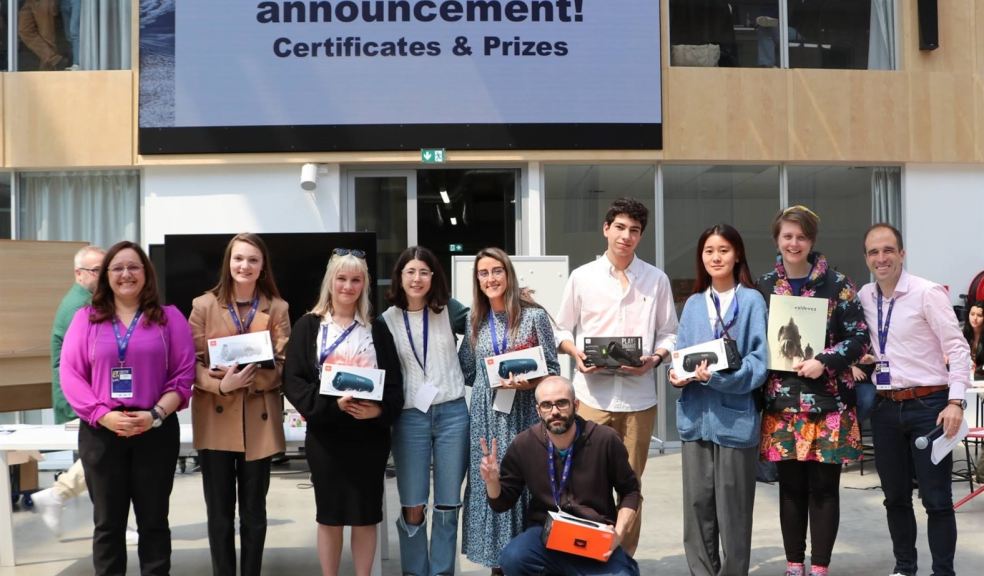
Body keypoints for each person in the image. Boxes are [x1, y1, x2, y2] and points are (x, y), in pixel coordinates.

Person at [59, 240, 196, 576]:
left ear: (146, 274)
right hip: (102, 433)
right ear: (106, 276)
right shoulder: (86, 320)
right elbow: (72, 375)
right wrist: (104, 415)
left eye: (133, 267)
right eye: (117, 268)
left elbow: (182, 375)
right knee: (107, 525)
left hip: (155, 430)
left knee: (154, 523)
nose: (125, 274)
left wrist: (155, 416)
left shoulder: (170, 319)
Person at [555, 197, 678, 556]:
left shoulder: (656, 280)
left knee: (631, 486)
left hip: (639, 400)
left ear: (641, 236)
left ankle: (623, 558)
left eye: (635, 230)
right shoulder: (582, 277)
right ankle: (586, 555)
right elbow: (561, 327)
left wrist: (654, 358)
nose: (626, 236)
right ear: (606, 229)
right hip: (591, 398)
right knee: (585, 483)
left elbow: (670, 333)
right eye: (620, 227)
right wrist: (576, 353)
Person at [757, 206, 869, 576]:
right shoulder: (762, 287)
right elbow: (755, 342)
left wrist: (825, 359)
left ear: (811, 241)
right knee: (790, 489)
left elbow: (859, 338)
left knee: (824, 488)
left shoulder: (838, 284)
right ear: (777, 239)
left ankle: (819, 566)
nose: (794, 243)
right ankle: (794, 565)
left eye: (801, 236)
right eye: (787, 236)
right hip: (782, 405)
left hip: (830, 404)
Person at [282, 248, 403, 576]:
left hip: (368, 438)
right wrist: (330, 406)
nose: (348, 286)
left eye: (356, 279)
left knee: (366, 514)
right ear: (330, 282)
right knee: (330, 515)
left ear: (364, 284)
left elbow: (394, 386)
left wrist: (377, 412)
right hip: (326, 437)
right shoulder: (309, 326)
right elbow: (293, 380)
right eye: (342, 278)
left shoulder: (376, 329)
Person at [860, 223, 971, 576]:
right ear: (866, 258)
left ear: (902, 254)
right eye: (874, 252)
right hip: (884, 407)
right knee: (894, 499)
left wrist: (956, 402)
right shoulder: (864, 296)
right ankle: (904, 568)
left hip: (930, 408)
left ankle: (943, 571)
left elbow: (958, 348)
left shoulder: (927, 293)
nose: (881, 258)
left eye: (888, 250)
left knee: (936, 500)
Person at [668, 224, 768, 576]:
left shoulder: (752, 300)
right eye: (709, 250)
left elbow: (759, 363)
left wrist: (724, 380)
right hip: (696, 418)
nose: (716, 257)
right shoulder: (694, 303)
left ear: (737, 254)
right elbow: (680, 354)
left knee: (734, 512)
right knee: (696, 509)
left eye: (723, 250)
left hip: (735, 419)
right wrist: (676, 374)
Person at [188, 233, 291, 576]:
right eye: (238, 259)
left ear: (263, 267)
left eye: (252, 260)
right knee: (218, 514)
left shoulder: (277, 308)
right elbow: (191, 364)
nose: (244, 266)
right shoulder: (203, 305)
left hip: (257, 420)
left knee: (254, 513)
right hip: (216, 419)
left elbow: (282, 366)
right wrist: (222, 385)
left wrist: (246, 381)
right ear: (228, 263)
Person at [460, 246, 560, 573]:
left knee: (525, 486)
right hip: (488, 420)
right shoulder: (475, 320)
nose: (491, 278)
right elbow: (469, 371)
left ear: (508, 274)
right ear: (477, 280)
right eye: (483, 273)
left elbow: (554, 369)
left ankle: (526, 561)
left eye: (496, 271)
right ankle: (497, 566)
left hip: (524, 419)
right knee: (492, 485)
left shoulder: (534, 316)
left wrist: (530, 382)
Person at [479, 376, 641, 576]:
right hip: (546, 536)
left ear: (576, 405)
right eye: (546, 405)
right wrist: (492, 482)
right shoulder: (524, 444)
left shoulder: (604, 439)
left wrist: (618, 535)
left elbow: (630, 492)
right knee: (513, 558)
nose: (554, 411)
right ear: (538, 410)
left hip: (593, 536)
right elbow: (501, 502)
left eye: (562, 403)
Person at [380, 246, 469, 576]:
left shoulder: (449, 310)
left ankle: (442, 572)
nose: (417, 279)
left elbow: (485, 319)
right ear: (400, 277)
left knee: (448, 503)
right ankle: (415, 572)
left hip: (453, 414)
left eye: (424, 272)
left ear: (434, 277)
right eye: (410, 272)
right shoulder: (386, 320)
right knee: (413, 503)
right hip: (410, 417)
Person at [31, 245, 104, 536]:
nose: (106, 276)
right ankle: (58, 494)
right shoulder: (81, 307)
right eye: (98, 271)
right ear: (79, 273)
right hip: (81, 397)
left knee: (100, 461)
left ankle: (110, 521)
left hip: (82, 395)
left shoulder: (88, 300)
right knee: (102, 457)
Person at [964, 301, 984, 381]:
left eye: (979, 315)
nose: (975, 318)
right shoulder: (962, 334)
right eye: (972, 314)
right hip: (966, 377)